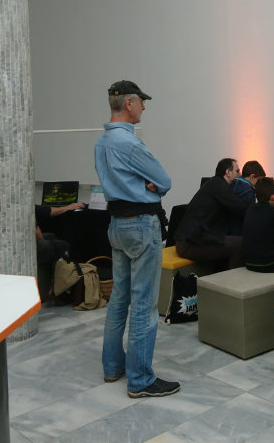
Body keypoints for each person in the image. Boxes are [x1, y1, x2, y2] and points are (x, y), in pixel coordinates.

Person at [94, 80, 179, 399]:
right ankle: (140, 379)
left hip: (117, 225)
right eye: (141, 101)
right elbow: (164, 180)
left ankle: (112, 367)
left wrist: (145, 183)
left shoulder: (102, 141)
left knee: (119, 299)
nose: (144, 106)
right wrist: (151, 185)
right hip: (141, 226)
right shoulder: (129, 143)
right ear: (129, 104)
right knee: (144, 302)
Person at [0, 186, 83, 274]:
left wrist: (67, 207)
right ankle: (57, 288)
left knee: (51, 237)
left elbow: (40, 210)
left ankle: (47, 281)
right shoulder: (12, 196)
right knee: (62, 246)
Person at [174, 158, 252, 269]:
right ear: (228, 172)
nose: (240, 175)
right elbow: (240, 206)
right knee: (242, 244)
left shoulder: (214, 183)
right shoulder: (219, 186)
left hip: (191, 240)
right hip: (190, 244)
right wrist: (262, 206)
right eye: (237, 171)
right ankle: (232, 279)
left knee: (231, 241)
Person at [228, 160, 266, 235]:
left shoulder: (231, 183)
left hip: (226, 230)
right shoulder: (248, 192)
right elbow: (250, 216)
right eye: (258, 180)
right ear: (252, 176)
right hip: (239, 232)